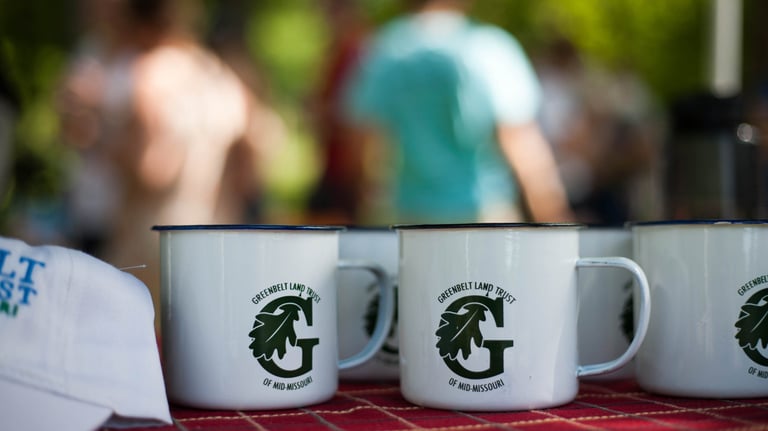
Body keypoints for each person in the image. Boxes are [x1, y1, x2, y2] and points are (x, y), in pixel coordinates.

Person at [56, 0, 282, 325]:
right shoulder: (217, 74)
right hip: (216, 235)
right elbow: (253, 160)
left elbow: (154, 169)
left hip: (153, 243)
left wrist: (97, 137)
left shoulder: (150, 76)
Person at [342, 0, 572, 224]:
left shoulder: (384, 50)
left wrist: (363, 208)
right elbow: (522, 143)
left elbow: (360, 145)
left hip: (409, 218)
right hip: (484, 217)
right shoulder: (490, 48)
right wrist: (554, 218)